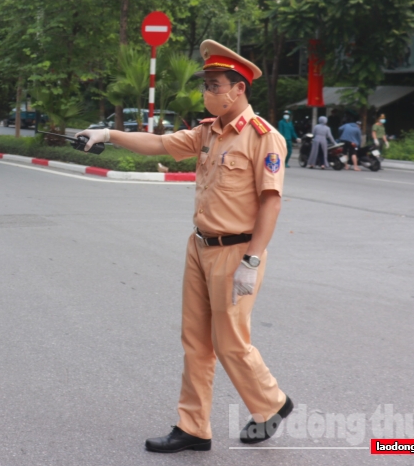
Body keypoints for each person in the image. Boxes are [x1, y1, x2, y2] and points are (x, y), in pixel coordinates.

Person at [83, 40, 293, 453]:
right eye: (206, 86)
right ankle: (194, 427)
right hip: (199, 247)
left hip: (236, 252)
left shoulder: (262, 138)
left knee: (229, 341)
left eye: (214, 86)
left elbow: (271, 202)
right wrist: (107, 133)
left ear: (238, 89)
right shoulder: (206, 132)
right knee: (195, 341)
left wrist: (252, 259)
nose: (207, 93)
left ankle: (272, 402)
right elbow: (159, 144)